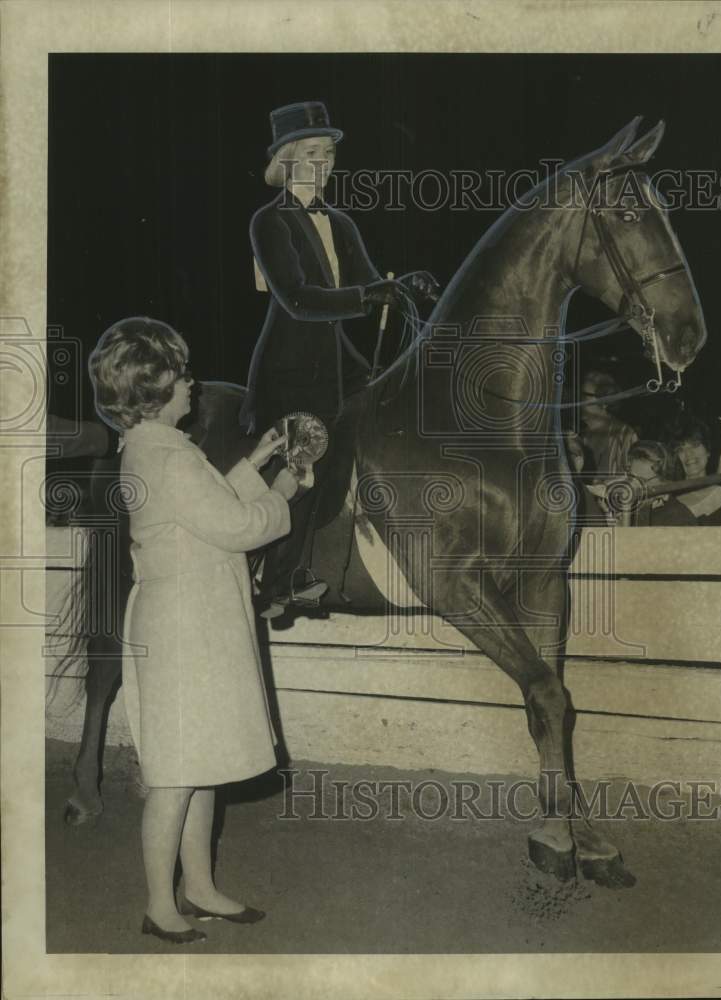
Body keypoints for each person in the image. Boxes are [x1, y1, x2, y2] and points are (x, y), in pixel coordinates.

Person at [89, 317, 301, 944]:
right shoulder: (166, 457)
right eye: (181, 375)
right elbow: (238, 529)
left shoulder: (160, 449)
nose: (192, 383)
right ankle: (161, 905)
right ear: (154, 390)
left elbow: (207, 512)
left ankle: (201, 887)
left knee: (200, 763)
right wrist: (284, 489)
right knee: (176, 777)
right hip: (185, 627)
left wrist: (256, 463)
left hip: (194, 619)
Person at [240, 101, 439, 615]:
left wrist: (403, 288)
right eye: (311, 153)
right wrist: (369, 296)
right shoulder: (269, 222)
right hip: (292, 369)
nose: (323, 163)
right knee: (304, 465)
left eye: (328, 153)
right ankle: (276, 583)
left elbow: (370, 284)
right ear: (286, 160)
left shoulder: (341, 222)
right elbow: (299, 299)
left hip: (340, 363)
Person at [671, 415, 721, 525]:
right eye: (680, 449)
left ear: (708, 451)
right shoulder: (670, 501)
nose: (688, 454)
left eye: (695, 445)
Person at [613, 440, 698, 526]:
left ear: (664, 483)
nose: (631, 486)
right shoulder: (630, 507)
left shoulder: (679, 518)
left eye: (641, 481)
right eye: (630, 477)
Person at [579, 369, 639, 477]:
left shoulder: (624, 434)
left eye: (584, 395)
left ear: (604, 401)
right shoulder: (579, 431)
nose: (578, 399)